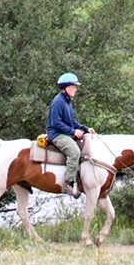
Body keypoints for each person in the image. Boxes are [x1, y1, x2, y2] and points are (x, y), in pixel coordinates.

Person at [46, 73, 91, 202]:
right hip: (56, 134)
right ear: (65, 88)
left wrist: (85, 128)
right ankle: (67, 183)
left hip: (64, 132)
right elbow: (56, 123)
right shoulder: (58, 101)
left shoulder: (67, 101)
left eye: (75, 87)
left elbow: (72, 121)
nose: (75, 89)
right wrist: (73, 131)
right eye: (73, 87)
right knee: (75, 152)